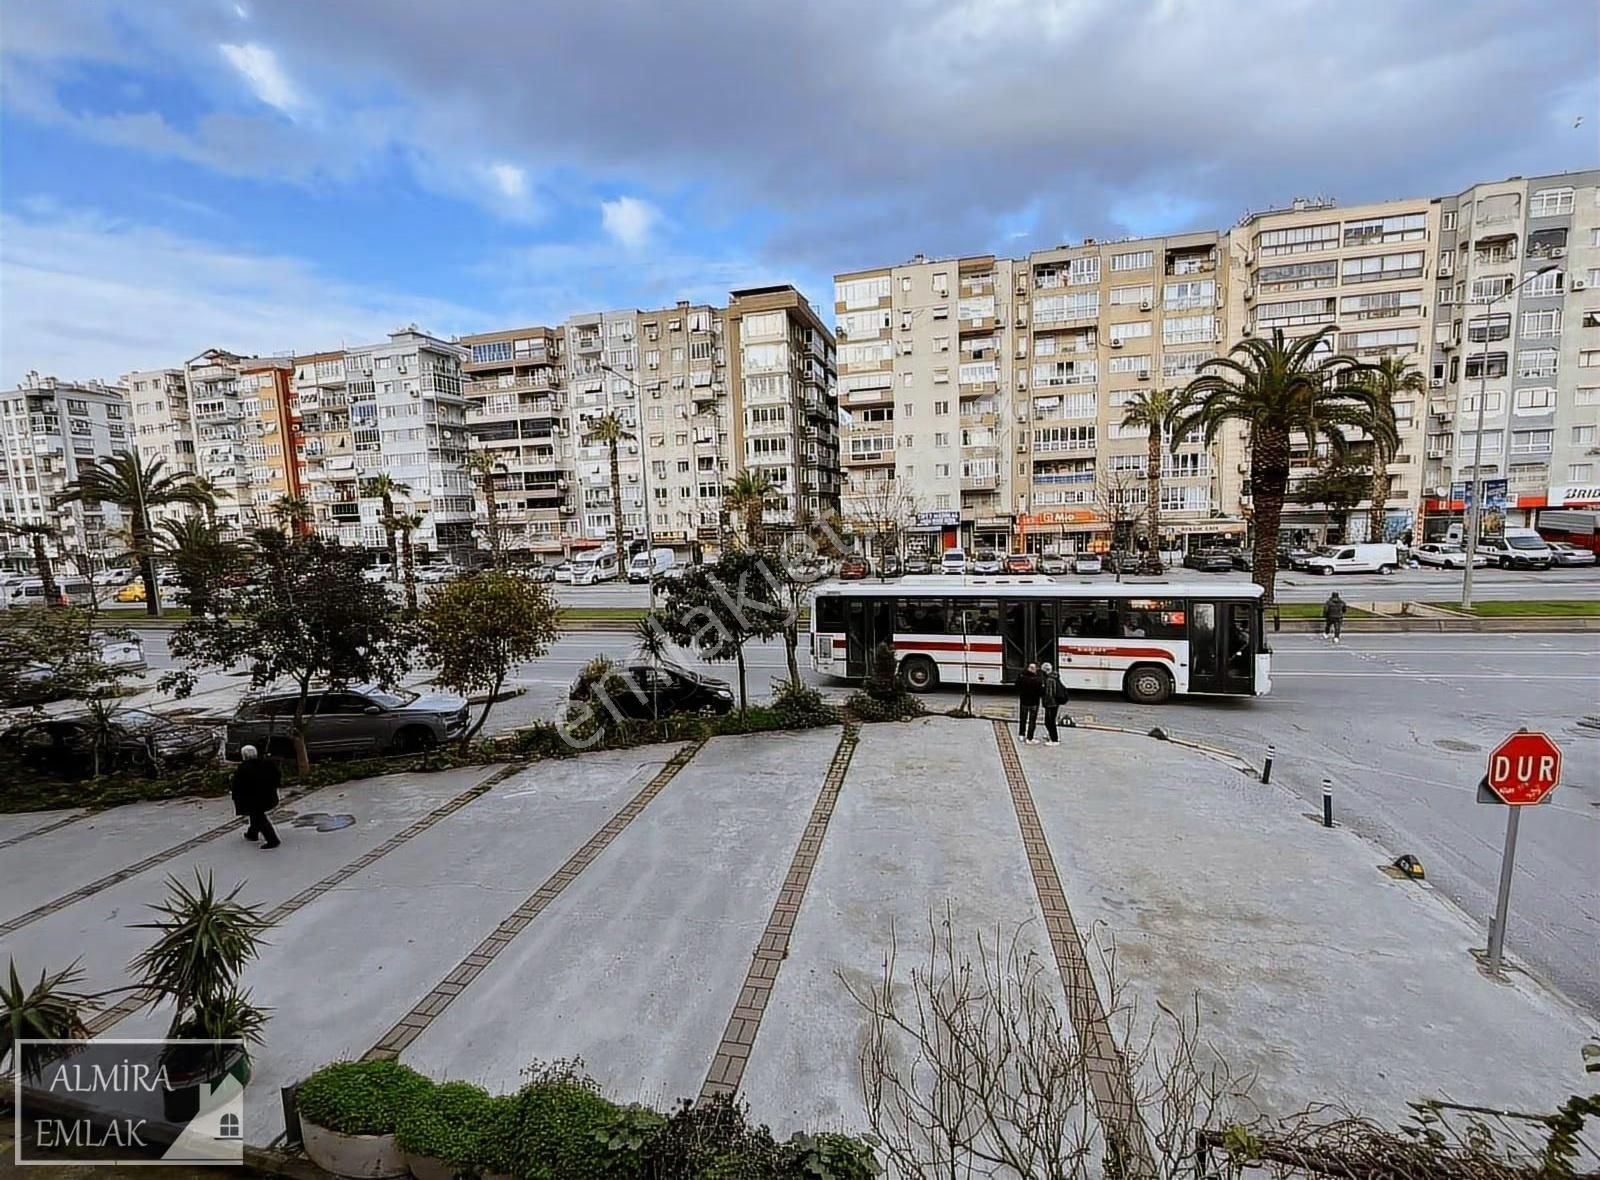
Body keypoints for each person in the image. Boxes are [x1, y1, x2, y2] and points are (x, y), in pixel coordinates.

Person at [232, 745, 282, 849]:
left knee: (258, 817)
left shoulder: (243, 769)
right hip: (269, 796)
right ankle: (252, 833)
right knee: (255, 815)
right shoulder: (267, 764)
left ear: (244, 756)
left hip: (253, 798)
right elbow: (277, 776)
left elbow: (237, 785)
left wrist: (235, 796)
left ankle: (272, 840)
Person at [1039, 661, 1070, 744]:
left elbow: (1049, 694)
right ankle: (1051, 735)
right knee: (1050, 721)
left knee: (1049, 722)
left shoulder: (1049, 680)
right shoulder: (1055, 676)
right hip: (1056, 703)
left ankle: (1054, 739)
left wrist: (1045, 703)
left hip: (1051, 704)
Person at [1015, 662, 1043, 744]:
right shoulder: (1038, 680)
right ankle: (1029, 738)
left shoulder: (1022, 677)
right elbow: (1041, 692)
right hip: (1034, 702)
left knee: (1023, 719)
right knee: (1032, 721)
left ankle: (1021, 734)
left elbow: (1017, 687)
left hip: (1024, 701)